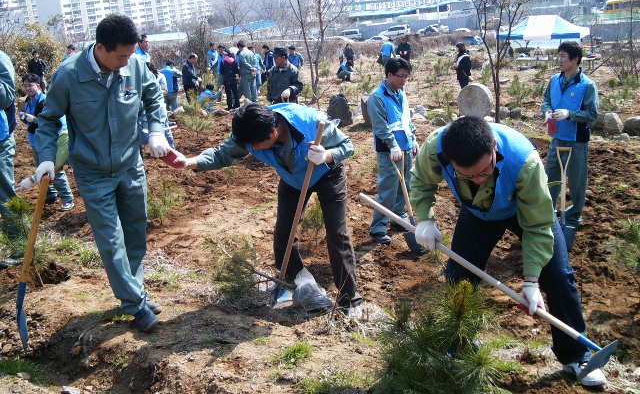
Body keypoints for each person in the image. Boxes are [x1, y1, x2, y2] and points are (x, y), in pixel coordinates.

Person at [410, 116, 606, 388]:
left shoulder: (523, 160)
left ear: (493, 147)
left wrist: (531, 281)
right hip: (478, 212)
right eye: (467, 176)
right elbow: (421, 181)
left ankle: (577, 357)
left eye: (483, 172)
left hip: (524, 210)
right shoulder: (436, 147)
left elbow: (538, 226)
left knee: (559, 278)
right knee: (459, 277)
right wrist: (424, 219)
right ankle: (459, 342)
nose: (477, 180)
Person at [34, 14, 172, 332]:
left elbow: (153, 97)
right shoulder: (69, 75)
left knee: (136, 234)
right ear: (102, 48)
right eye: (122, 55)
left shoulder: (134, 66)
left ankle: (133, 293)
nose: (128, 62)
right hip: (93, 172)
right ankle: (136, 305)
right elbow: (49, 119)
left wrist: (156, 131)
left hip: (130, 165)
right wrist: (45, 158)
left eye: (131, 54)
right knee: (110, 240)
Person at [179, 103, 362, 315]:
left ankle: (350, 300)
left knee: (336, 235)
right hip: (292, 179)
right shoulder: (250, 130)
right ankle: (296, 281)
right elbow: (222, 154)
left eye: (256, 145)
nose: (253, 149)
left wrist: (327, 155)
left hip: (327, 173)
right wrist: (189, 162)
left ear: (274, 132)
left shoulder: (310, 122)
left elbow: (347, 146)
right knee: (284, 235)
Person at [541, 41, 598, 252]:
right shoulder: (554, 80)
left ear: (575, 60)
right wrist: (547, 111)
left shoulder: (587, 85)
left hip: (577, 141)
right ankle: (549, 215)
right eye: (560, 56)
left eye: (564, 56)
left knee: (576, 182)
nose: (560, 60)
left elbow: (592, 114)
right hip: (557, 137)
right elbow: (546, 101)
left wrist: (570, 114)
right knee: (551, 180)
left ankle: (573, 218)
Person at [366, 58, 422, 253]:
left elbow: (406, 120)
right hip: (389, 151)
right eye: (401, 76)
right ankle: (378, 228)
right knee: (388, 188)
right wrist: (393, 146)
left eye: (407, 76)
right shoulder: (377, 97)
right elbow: (380, 127)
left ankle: (398, 219)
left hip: (406, 147)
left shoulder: (401, 93)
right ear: (389, 75)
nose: (404, 80)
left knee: (405, 184)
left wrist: (413, 138)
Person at [18, 73, 74, 210]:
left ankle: (67, 199)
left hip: (51, 139)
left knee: (55, 169)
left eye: (30, 85)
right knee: (41, 169)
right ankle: (51, 194)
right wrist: (25, 118)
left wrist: (34, 119)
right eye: (25, 86)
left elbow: (53, 123)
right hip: (35, 140)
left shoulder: (45, 101)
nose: (28, 88)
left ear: (38, 85)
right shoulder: (28, 101)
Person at [0, 50, 18, 239]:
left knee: (5, 194)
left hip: (1, 141)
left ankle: (20, 244)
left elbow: (5, 98)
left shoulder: (1, 59)